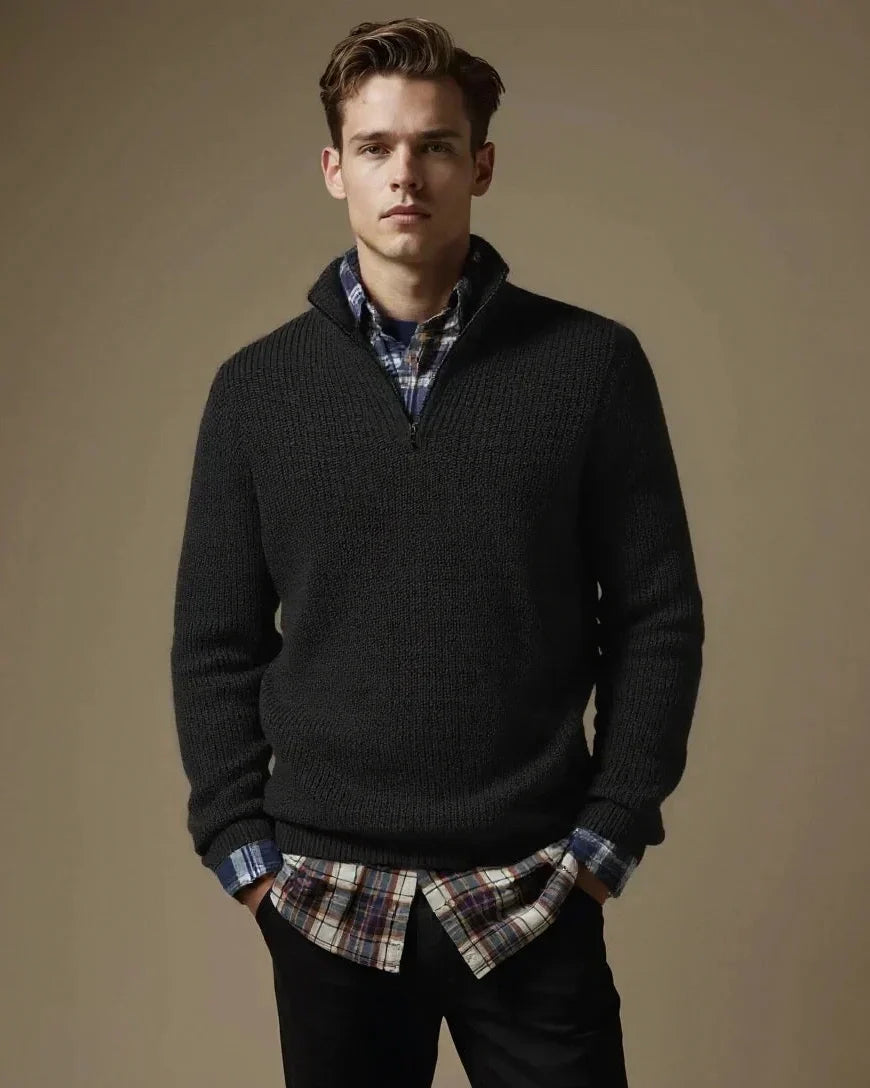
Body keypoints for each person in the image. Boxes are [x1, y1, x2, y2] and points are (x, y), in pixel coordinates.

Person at [169, 16, 705, 1088]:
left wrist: (608, 836)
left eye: (435, 145)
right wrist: (243, 853)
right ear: (335, 169)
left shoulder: (592, 367)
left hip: (531, 887)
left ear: (481, 165)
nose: (405, 173)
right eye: (375, 146)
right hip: (322, 896)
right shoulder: (256, 391)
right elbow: (214, 641)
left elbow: (658, 616)